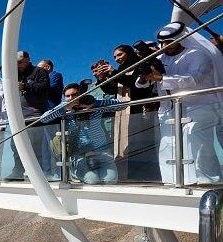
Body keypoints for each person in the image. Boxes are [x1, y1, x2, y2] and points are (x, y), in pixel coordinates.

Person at [136, 22, 223, 185]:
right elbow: (140, 84)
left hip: (198, 107)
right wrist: (144, 76)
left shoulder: (198, 54)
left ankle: (208, 182)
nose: (165, 45)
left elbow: (193, 79)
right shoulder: (159, 58)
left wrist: (161, 78)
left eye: (169, 41)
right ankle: (173, 182)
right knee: (168, 146)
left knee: (196, 143)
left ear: (180, 39)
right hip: (169, 109)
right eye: (163, 42)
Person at [97, 45, 161, 183]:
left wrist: (114, 72)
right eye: (114, 57)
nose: (117, 59)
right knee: (121, 143)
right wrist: (102, 78)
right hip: (121, 111)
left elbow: (135, 84)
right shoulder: (120, 70)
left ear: (129, 53)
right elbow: (111, 89)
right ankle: (127, 175)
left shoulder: (139, 65)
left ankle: (145, 176)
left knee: (139, 143)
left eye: (119, 55)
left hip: (138, 110)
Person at [41, 83, 127, 184]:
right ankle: (74, 172)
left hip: (102, 152)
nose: (71, 98)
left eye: (74, 95)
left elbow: (123, 105)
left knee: (110, 180)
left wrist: (95, 104)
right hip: (79, 156)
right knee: (92, 180)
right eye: (67, 96)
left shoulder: (94, 106)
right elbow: (43, 119)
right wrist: (64, 108)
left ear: (81, 95)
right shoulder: (65, 110)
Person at [6, 51, 52, 180]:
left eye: (20, 62)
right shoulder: (16, 74)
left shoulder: (39, 71)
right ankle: (18, 171)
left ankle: (38, 173)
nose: (18, 65)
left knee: (35, 145)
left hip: (34, 115)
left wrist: (26, 85)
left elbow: (45, 88)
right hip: (18, 117)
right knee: (16, 146)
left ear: (27, 59)